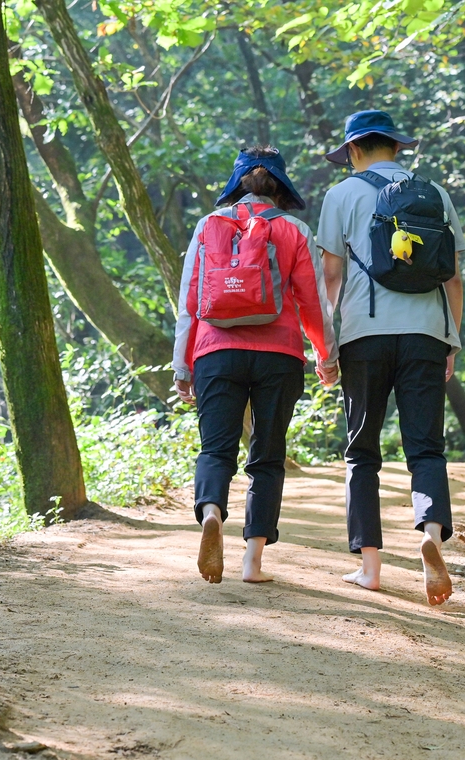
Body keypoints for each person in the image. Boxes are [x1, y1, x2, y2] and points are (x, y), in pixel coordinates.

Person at [316, 110, 465, 606]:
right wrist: (451, 340)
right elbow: (453, 277)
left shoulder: (340, 196)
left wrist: (327, 345)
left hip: (365, 335)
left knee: (362, 450)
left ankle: (371, 567)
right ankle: (430, 531)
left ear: (354, 151)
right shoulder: (436, 194)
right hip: (425, 333)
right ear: (396, 148)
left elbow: (331, 277)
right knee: (426, 447)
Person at [173, 146, 338, 584]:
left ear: (237, 185)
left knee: (216, 448)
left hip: (215, 351)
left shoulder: (208, 225)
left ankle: (211, 512)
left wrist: (183, 366)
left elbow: (190, 301)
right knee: (267, 455)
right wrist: (327, 357)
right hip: (279, 356)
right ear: (280, 187)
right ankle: (253, 562)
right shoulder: (295, 229)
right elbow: (314, 305)